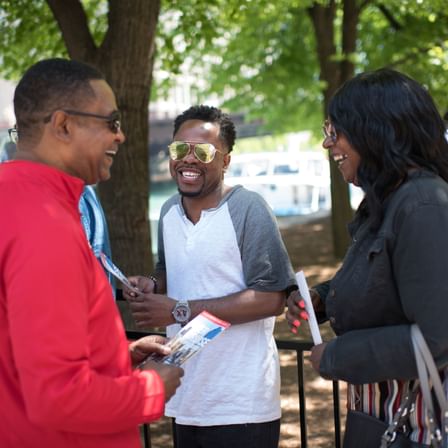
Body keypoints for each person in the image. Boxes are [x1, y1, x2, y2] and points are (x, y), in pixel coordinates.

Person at [0, 58, 184, 448]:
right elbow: (57, 396)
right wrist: (151, 389)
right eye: (111, 123)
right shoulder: (44, 222)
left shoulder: (16, 200)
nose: (121, 137)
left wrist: (119, 357)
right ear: (63, 125)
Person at [286, 68, 448, 446]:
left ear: (375, 131)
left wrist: (338, 356)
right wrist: (324, 299)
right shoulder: (387, 199)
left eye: (335, 130)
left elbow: (438, 337)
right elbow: (387, 281)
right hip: (382, 419)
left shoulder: (423, 204)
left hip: (418, 428)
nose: (328, 144)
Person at [123, 105, 297, 448]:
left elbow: (271, 298)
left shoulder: (250, 208)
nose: (188, 160)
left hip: (241, 403)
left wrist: (178, 310)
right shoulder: (169, 210)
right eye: (179, 149)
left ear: (226, 160)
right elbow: (171, 270)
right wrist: (152, 284)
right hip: (185, 396)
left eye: (202, 151)